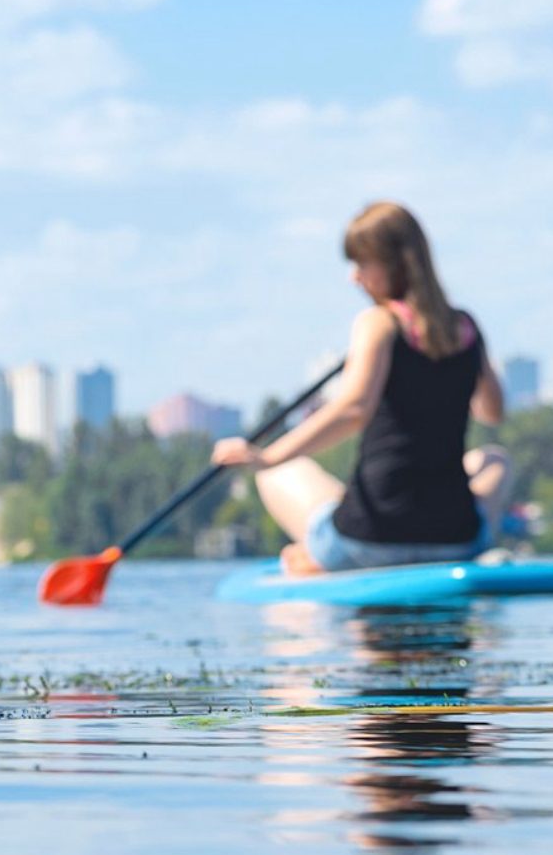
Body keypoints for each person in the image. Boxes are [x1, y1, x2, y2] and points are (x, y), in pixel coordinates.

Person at [212, 201, 512, 575]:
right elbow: (491, 411)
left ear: (395, 263)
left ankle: (317, 556)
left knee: (279, 472)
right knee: (495, 459)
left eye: (362, 264)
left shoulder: (378, 323)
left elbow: (353, 409)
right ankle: (326, 544)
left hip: (367, 544)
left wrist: (266, 457)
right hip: (457, 540)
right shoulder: (465, 327)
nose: (354, 278)